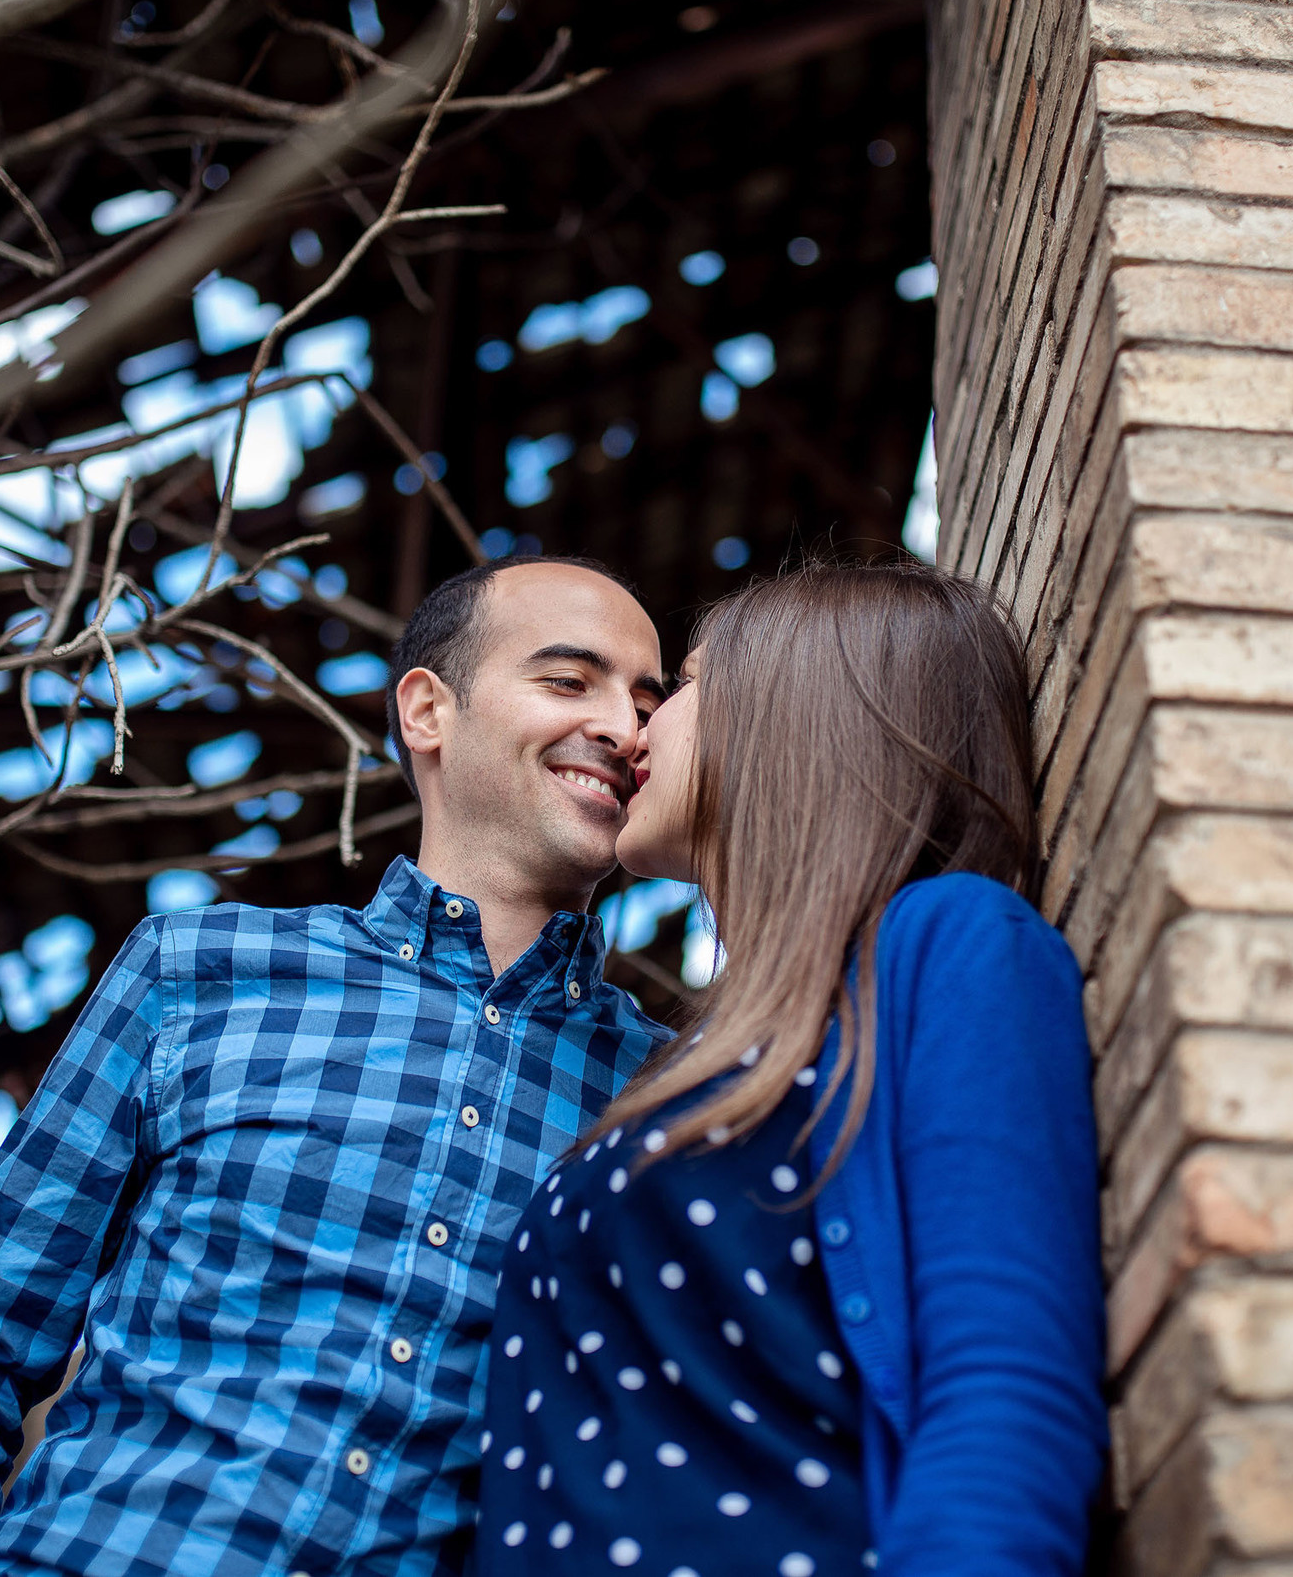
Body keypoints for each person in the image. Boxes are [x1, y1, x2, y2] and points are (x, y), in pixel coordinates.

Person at [0, 555, 672, 1577]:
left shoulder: (674, 1097)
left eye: (646, 701)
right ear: (427, 712)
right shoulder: (198, 972)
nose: (624, 729)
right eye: (568, 680)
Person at [472, 563, 1104, 1577]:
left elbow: (1002, 1390)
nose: (638, 730)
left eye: (676, 688)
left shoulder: (948, 943)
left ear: (793, 707)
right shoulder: (693, 1055)